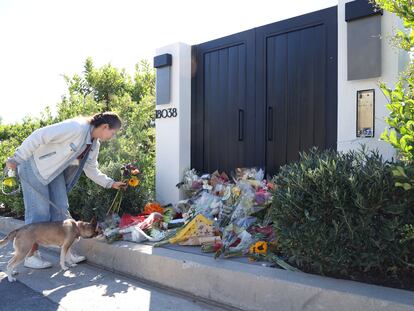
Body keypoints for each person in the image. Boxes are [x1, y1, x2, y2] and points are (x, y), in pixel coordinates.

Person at [5, 112, 126, 269]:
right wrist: (17, 158)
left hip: (54, 172)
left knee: (62, 211)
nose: (113, 136)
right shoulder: (76, 127)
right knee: (39, 213)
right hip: (34, 166)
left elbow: (91, 169)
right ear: (105, 126)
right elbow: (40, 135)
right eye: (113, 132)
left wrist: (110, 183)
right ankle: (30, 256)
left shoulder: (94, 144)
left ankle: (67, 254)